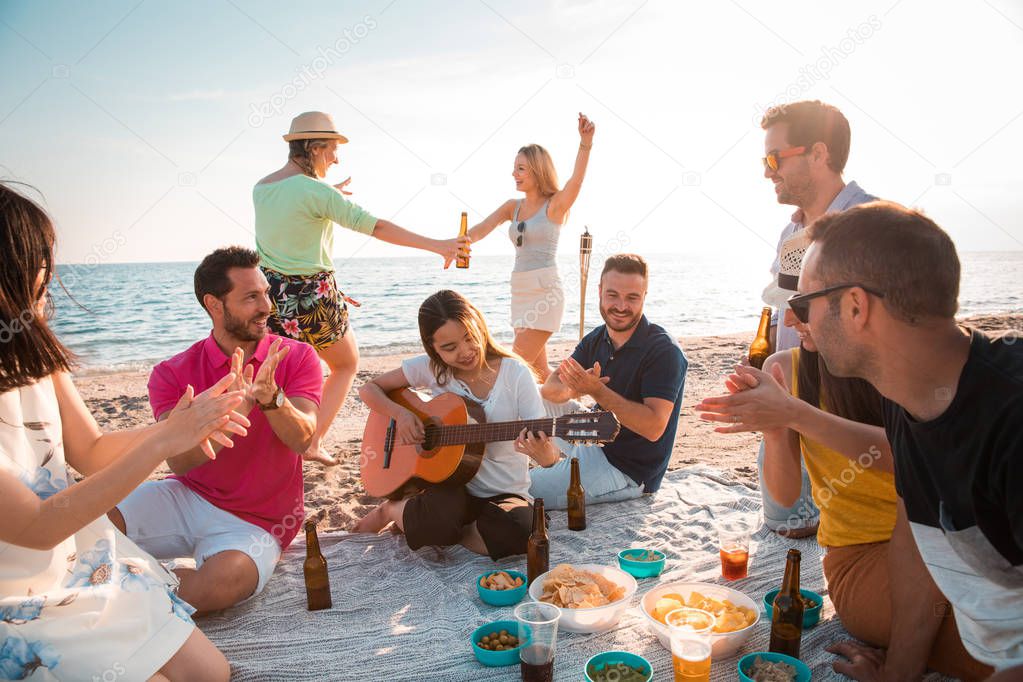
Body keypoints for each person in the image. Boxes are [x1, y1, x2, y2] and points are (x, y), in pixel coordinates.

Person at [695, 232, 992, 680]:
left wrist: (795, 413)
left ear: (853, 307)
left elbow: (919, 463)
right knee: (986, 643)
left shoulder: (906, 369)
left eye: (800, 308)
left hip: (946, 543)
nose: (791, 322)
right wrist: (778, 430)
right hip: (864, 553)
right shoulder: (786, 369)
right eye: (786, 308)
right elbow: (786, 496)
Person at [0, 183, 244, 681]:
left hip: (74, 559)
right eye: (39, 276)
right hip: (14, 585)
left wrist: (185, 420)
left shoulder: (35, 361)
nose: (48, 287)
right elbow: (34, 527)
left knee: (211, 674)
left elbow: (90, 450)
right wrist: (163, 441)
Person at [798, 201, 1022, 678]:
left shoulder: (1010, 422)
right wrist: (899, 672)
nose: (801, 323)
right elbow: (920, 543)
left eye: (804, 305)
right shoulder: (908, 397)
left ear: (856, 307)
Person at [108, 247, 325, 614]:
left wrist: (272, 400)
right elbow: (179, 463)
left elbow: (303, 438)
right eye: (251, 297)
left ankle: (120, 602)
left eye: (266, 293)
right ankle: (110, 588)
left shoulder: (298, 357)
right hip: (187, 496)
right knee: (91, 526)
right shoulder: (172, 373)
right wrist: (222, 416)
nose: (267, 307)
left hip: (258, 523)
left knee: (220, 586)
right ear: (214, 304)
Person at [254, 111, 470, 465]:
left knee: (280, 372)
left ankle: (276, 442)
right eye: (333, 150)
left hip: (272, 298)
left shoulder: (262, 188)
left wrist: (326, 194)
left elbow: (294, 209)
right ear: (314, 146)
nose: (336, 158)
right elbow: (377, 227)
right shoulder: (316, 191)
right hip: (313, 299)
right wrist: (439, 245)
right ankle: (311, 442)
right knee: (346, 365)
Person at [353, 290, 558, 559]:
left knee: (525, 534)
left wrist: (545, 456)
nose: (465, 352)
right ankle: (390, 510)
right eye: (449, 348)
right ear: (433, 348)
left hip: (504, 493)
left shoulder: (515, 373)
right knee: (441, 518)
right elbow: (369, 389)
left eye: (470, 338)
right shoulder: (431, 368)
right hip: (449, 487)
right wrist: (400, 415)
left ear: (480, 326)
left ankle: (442, 530)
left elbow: (550, 452)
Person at [757, 99, 878, 538]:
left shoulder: (869, 224)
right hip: (791, 401)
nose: (767, 171)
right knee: (784, 523)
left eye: (775, 158)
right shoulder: (791, 234)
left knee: (823, 528)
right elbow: (782, 311)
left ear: (819, 154)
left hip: (850, 415)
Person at [531, 254, 687, 509]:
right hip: (593, 434)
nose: (621, 306)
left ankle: (551, 466)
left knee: (521, 487)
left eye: (632, 298)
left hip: (625, 470)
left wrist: (596, 390)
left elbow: (654, 427)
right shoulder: (598, 337)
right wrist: (573, 387)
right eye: (613, 295)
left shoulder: (664, 350)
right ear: (600, 292)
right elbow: (551, 389)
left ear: (644, 296)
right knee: (534, 394)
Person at [464, 113, 596, 380]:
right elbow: (480, 230)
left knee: (515, 367)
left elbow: (576, 181)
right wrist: (459, 243)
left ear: (537, 170)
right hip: (520, 290)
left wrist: (585, 143)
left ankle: (563, 403)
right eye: (515, 168)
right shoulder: (512, 207)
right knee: (539, 370)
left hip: (544, 291)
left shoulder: (555, 206)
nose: (514, 173)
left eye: (521, 168)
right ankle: (568, 411)